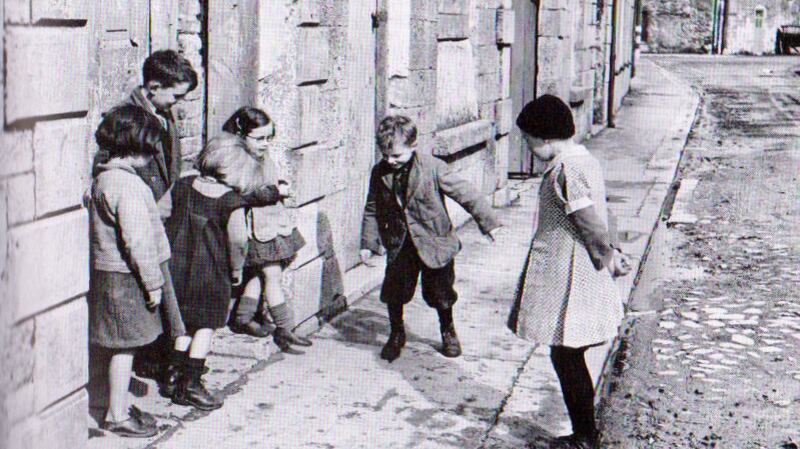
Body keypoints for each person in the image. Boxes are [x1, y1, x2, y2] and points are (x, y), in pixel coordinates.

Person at [507, 95, 631, 449]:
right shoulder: (583, 160)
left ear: (545, 139)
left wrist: (609, 255)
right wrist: (614, 250)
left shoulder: (567, 168)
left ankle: (585, 436)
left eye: (530, 142)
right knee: (566, 353)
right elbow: (603, 213)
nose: (530, 150)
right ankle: (585, 431)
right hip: (577, 268)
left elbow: (590, 220)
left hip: (573, 272)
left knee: (566, 353)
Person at [360, 115, 502, 363]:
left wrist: (488, 222)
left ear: (413, 146)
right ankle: (396, 333)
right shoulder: (380, 172)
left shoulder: (433, 167)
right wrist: (368, 243)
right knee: (395, 291)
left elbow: (465, 193)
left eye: (397, 156)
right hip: (400, 243)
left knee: (441, 292)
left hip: (434, 242)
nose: (390, 161)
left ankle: (448, 330)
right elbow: (372, 207)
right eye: (385, 155)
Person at [163, 134, 269, 410]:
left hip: (176, 267)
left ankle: (173, 373)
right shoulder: (230, 202)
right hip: (210, 273)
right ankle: (192, 382)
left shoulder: (184, 184)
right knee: (206, 326)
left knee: (182, 322)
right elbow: (238, 241)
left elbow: (163, 213)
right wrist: (236, 270)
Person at [87, 105, 174, 437]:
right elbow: (138, 241)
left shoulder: (102, 177)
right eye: (147, 151)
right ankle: (117, 413)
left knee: (108, 344)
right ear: (134, 149)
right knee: (125, 347)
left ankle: (105, 401)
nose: (151, 158)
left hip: (106, 273)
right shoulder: (130, 187)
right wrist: (153, 284)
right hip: (126, 278)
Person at [221, 107, 313, 354]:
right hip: (256, 228)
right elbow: (244, 191)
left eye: (268, 138)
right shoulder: (236, 158)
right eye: (259, 138)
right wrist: (275, 192)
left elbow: (267, 179)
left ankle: (243, 317)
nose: (265, 144)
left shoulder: (261, 155)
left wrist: (279, 184)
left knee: (261, 275)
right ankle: (285, 329)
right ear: (242, 134)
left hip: (273, 225)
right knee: (272, 276)